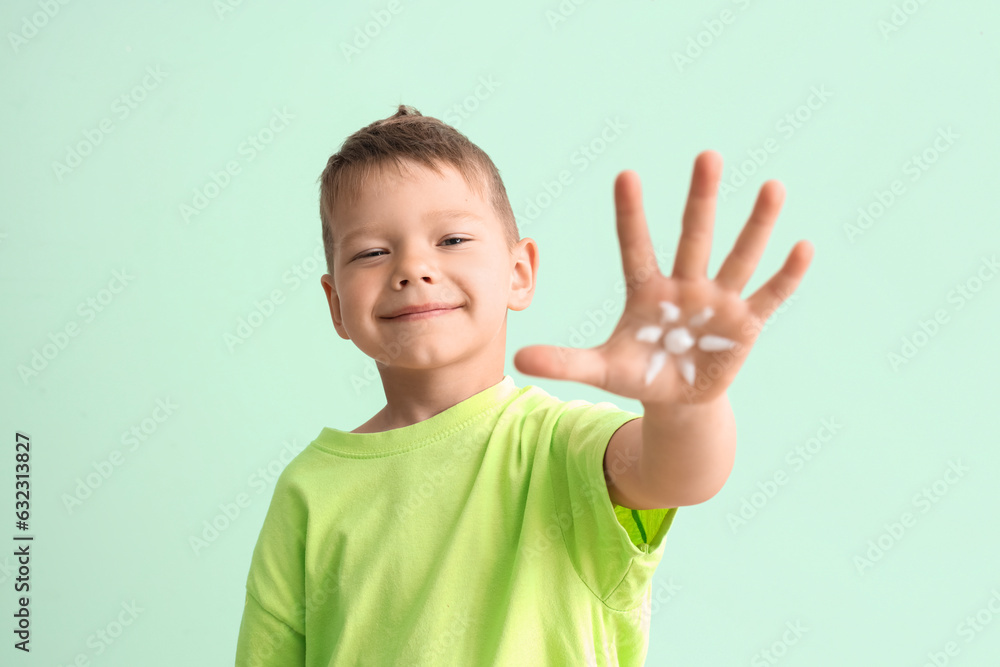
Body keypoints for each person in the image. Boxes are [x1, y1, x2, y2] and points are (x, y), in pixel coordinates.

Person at [234, 104, 813, 666]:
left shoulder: (561, 446)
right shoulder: (308, 488)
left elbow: (681, 473)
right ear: (336, 304)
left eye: (452, 240)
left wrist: (689, 403)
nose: (412, 268)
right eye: (372, 252)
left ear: (519, 273)